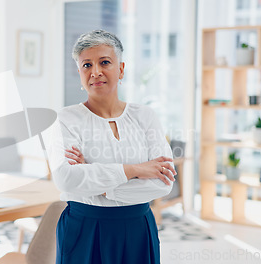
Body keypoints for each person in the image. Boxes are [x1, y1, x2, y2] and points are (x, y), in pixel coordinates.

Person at [48, 29, 176, 264]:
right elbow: (65, 179)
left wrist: (100, 187)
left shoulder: (145, 116)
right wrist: (135, 170)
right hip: (84, 229)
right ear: (79, 73)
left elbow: (163, 182)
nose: (95, 72)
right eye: (87, 65)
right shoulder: (65, 119)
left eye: (104, 62)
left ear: (121, 69)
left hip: (138, 229)